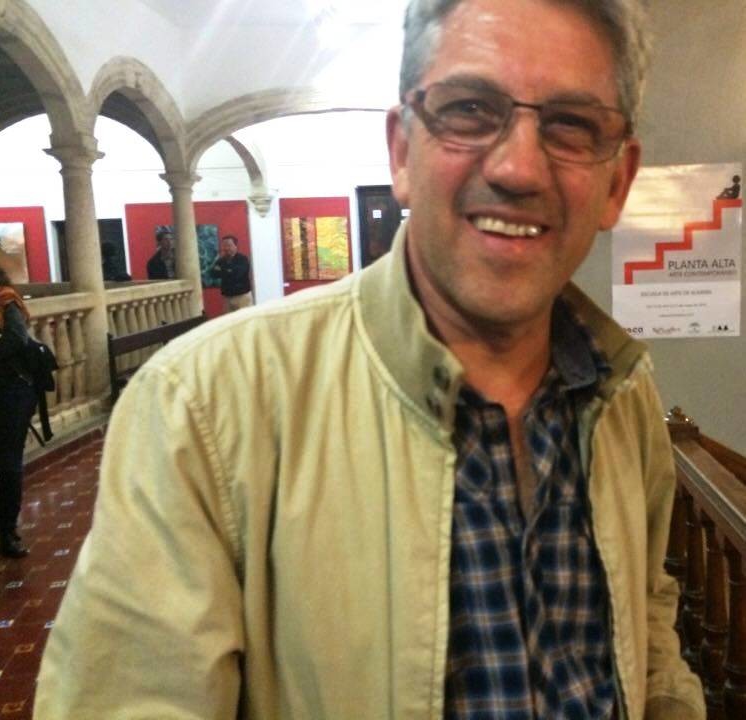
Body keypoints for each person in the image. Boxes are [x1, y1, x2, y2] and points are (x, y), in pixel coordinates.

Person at [35, 1, 705, 718]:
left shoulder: (619, 389)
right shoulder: (202, 407)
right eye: (469, 109)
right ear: (402, 152)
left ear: (617, 181)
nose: (517, 168)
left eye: (571, 124)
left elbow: (645, 616)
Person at [0, 264, 37, 558]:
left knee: (9, 462)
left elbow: (16, 339)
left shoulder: (6, 301)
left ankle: (8, 530)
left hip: (12, 392)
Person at [210, 234, 253, 311]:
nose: (226, 248)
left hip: (242, 296)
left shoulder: (242, 259)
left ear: (235, 246)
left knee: (244, 318)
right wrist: (228, 270)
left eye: (229, 245)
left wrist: (222, 270)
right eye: (224, 245)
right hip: (227, 297)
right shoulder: (221, 260)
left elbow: (238, 274)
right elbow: (213, 273)